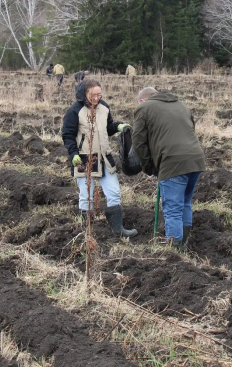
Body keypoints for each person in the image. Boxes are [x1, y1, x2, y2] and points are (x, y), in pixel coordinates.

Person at [132, 87, 206, 252]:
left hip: (172, 161)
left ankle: (174, 251)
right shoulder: (180, 104)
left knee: (172, 208)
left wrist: (149, 167)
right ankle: (183, 244)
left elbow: (138, 142)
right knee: (184, 202)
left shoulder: (144, 108)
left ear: (142, 100)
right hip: (195, 158)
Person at [62, 79, 136, 237]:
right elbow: (68, 135)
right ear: (85, 93)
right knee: (86, 196)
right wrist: (74, 154)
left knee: (114, 192)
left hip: (104, 158)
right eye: (93, 95)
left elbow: (107, 128)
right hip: (84, 159)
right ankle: (85, 232)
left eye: (99, 95)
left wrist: (118, 126)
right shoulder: (74, 111)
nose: (96, 98)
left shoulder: (104, 107)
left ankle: (118, 230)